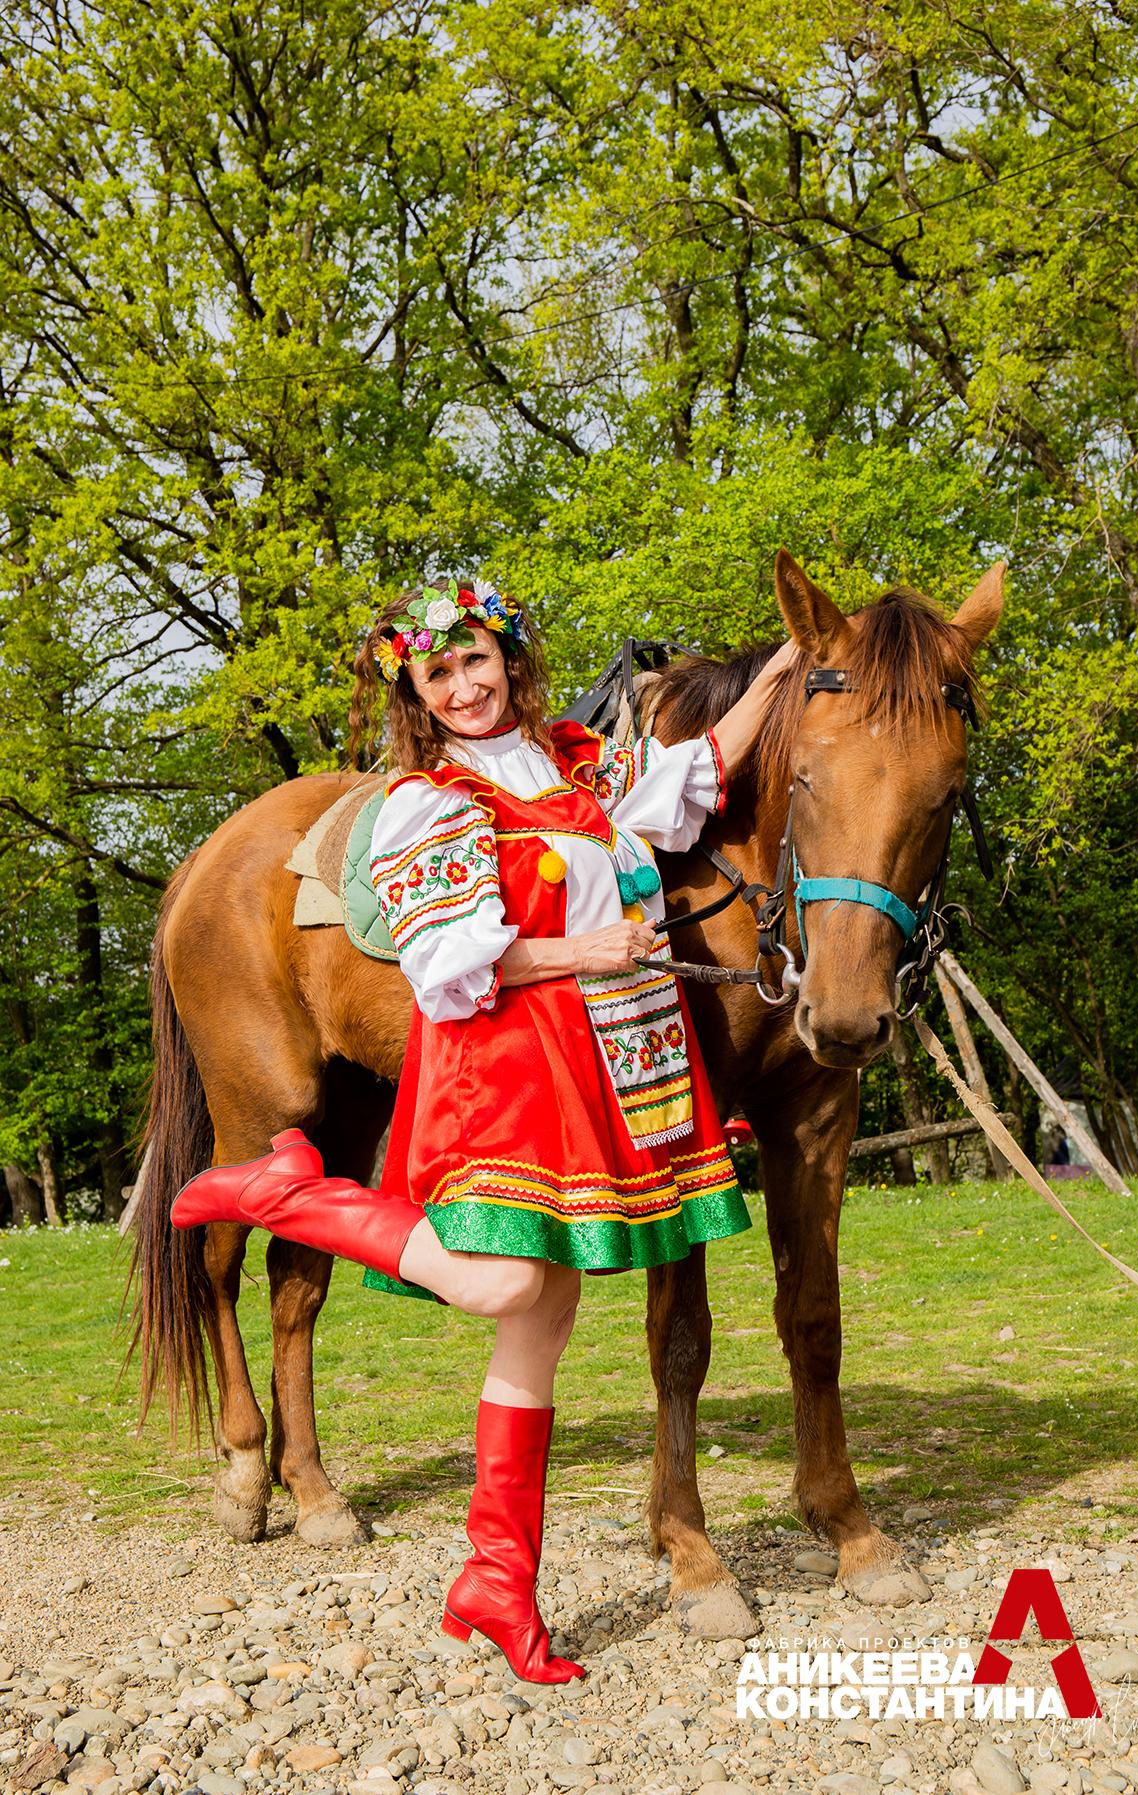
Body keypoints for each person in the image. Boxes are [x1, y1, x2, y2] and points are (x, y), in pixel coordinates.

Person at [172, 577, 799, 1683]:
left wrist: (790, 665)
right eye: (438, 672)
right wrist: (581, 951)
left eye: (475, 660)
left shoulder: (573, 766)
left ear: (509, 659)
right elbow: (445, 965)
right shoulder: (430, 802)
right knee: (504, 1284)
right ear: (414, 693)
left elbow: (693, 775)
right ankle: (279, 1193)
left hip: (599, 1066)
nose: (463, 687)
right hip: (503, 1064)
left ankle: (498, 1581)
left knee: (543, 1319)